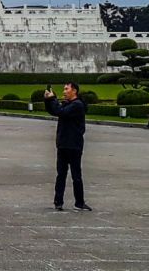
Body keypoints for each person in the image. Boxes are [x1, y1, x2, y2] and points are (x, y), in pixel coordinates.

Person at [44, 83, 93, 211]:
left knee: (76, 175)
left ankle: (79, 202)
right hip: (63, 143)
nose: (64, 91)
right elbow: (55, 111)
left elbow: (61, 112)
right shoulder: (68, 104)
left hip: (74, 145)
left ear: (74, 91)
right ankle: (58, 201)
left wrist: (52, 99)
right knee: (61, 174)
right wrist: (48, 100)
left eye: (66, 89)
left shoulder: (77, 105)